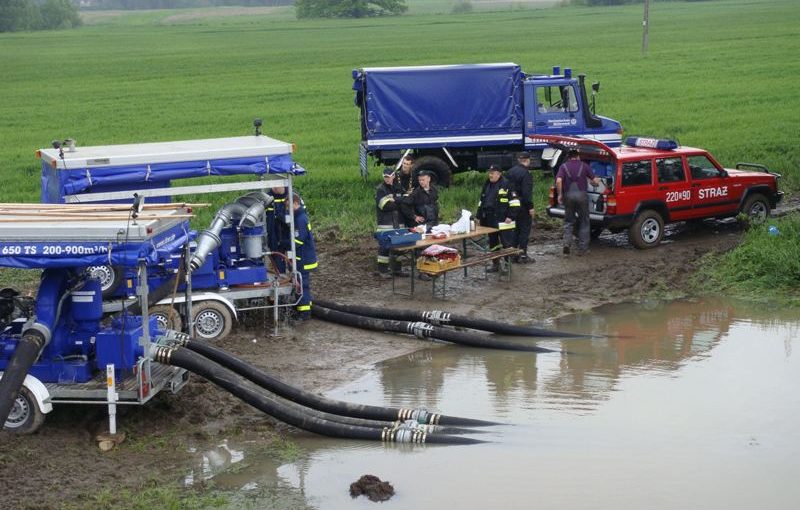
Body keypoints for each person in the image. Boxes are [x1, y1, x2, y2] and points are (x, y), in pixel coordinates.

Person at [556, 149, 600, 256]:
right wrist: (596, 182)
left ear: (569, 157)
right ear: (578, 156)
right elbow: (594, 181)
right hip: (582, 197)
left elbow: (558, 181)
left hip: (568, 196)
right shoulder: (584, 166)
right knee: (584, 221)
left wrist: (560, 194)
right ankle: (583, 249)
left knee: (568, 222)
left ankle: (566, 244)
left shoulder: (563, 167)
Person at [477, 165, 520, 273]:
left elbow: (515, 202)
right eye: (489, 172)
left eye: (492, 173)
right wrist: (478, 216)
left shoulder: (507, 184)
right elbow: (481, 201)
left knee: (506, 244)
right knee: (493, 243)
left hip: (504, 220)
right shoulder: (487, 184)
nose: (490, 175)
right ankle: (495, 265)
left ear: (499, 173)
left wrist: (511, 216)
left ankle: (507, 266)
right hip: (489, 219)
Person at [374, 167, 406, 278]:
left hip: (399, 224)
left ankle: (397, 269)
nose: (387, 179)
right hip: (385, 225)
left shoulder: (398, 188)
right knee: (385, 248)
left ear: (393, 176)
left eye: (388, 177)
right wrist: (399, 202)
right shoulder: (380, 189)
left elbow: (405, 202)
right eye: (385, 177)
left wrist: (395, 200)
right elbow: (385, 206)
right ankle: (383, 271)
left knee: (399, 247)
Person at [291, 192, 317, 320]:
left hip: (304, 259)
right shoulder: (300, 216)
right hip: (304, 258)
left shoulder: (300, 219)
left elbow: (299, 240)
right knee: (301, 283)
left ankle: (305, 314)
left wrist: (286, 244)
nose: (287, 210)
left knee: (303, 285)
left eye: (288, 206)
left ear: (295, 203)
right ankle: (305, 307)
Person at [504, 151, 535, 263]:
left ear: (518, 160)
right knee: (524, 231)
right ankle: (523, 255)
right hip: (523, 206)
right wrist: (530, 207)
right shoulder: (526, 173)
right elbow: (527, 193)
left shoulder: (509, 172)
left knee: (515, 231)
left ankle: (513, 255)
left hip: (512, 206)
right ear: (528, 160)